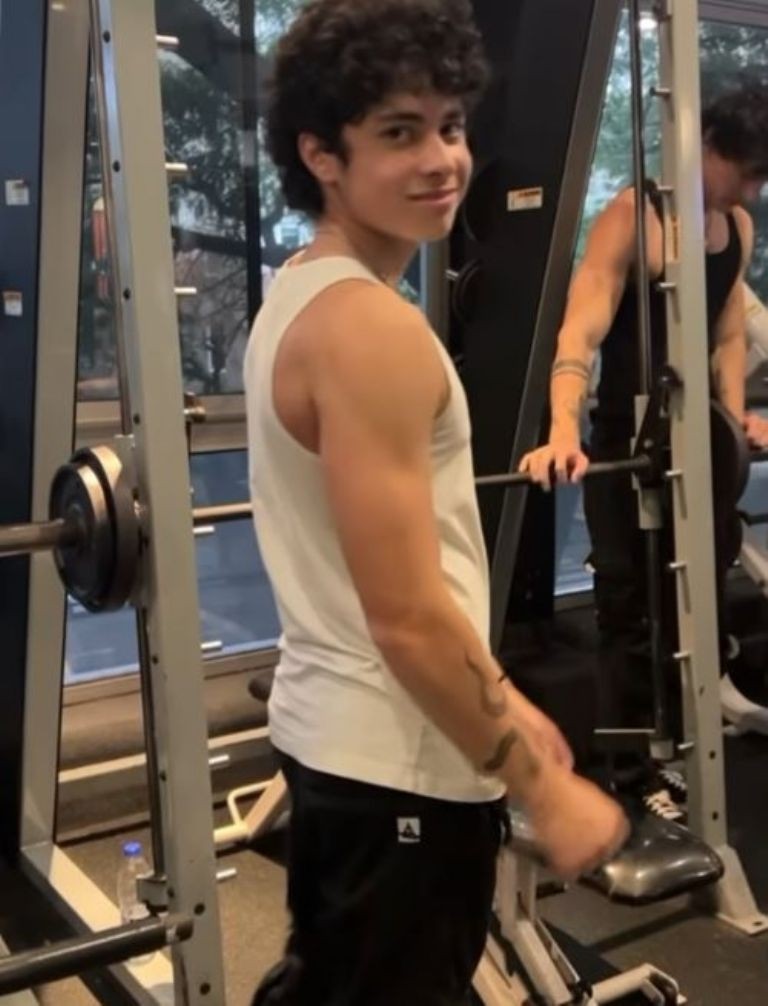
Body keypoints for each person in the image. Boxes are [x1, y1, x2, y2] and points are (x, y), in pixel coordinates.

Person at [243, 2, 628, 1003]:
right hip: (399, 765)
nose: (442, 161)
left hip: (349, 742)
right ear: (321, 155)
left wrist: (506, 708)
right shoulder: (370, 330)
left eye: (450, 127)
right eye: (400, 133)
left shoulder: (300, 291)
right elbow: (408, 617)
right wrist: (542, 786)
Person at [520, 83, 768, 822]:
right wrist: (562, 430)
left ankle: (680, 747)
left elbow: (728, 332)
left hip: (698, 446)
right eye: (747, 171)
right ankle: (627, 776)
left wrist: (732, 422)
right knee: (628, 613)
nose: (753, 189)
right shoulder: (636, 217)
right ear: (708, 147)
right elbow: (580, 330)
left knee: (693, 604)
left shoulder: (736, 225)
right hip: (628, 444)